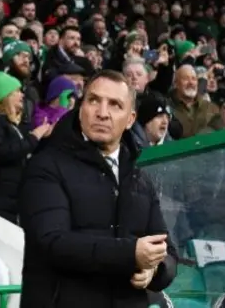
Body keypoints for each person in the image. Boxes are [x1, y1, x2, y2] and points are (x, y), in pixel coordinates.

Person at [19, 70, 177, 308]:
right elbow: (52, 242)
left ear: (131, 119)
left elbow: (168, 251)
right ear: (81, 108)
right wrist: (130, 254)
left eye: (114, 105)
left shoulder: (139, 179)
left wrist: (155, 270)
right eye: (94, 100)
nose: (102, 113)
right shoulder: (46, 165)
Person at [0, 71, 51, 223]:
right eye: (17, 92)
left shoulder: (10, 122)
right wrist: (34, 136)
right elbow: (3, 151)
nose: (22, 95)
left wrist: (43, 135)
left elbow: (25, 147)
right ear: (5, 96)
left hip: (9, 200)